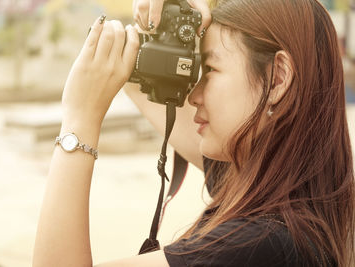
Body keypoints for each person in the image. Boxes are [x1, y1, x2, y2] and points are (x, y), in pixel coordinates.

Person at [32, 0, 355, 266]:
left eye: (211, 70)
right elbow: (136, 79)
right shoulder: (283, 191)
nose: (193, 95)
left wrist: (79, 120)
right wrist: (167, 28)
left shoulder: (264, 244)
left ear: (278, 78)